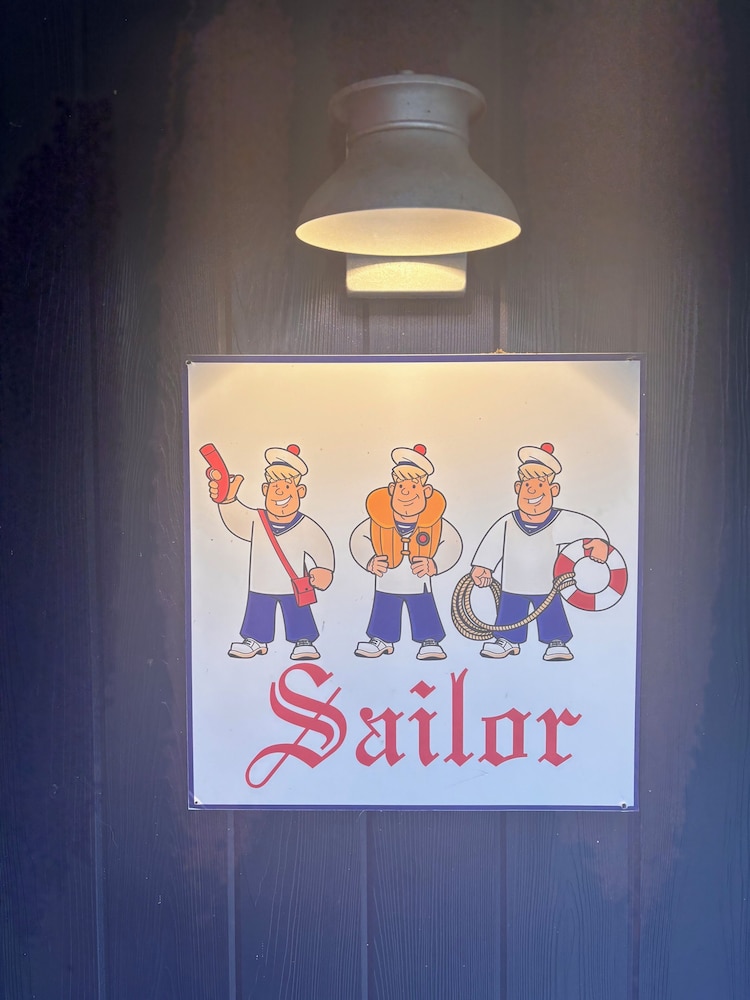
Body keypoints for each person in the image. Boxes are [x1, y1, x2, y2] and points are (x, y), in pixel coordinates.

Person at [471, 442, 608, 662]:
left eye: (540, 484)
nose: (532, 491)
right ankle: (508, 640)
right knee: (510, 611)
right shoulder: (508, 522)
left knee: (550, 611)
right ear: (518, 488)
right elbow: (491, 545)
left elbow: (588, 528)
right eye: (527, 485)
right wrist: (483, 566)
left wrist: (600, 543)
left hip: (547, 584)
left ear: (553, 490)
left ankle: (556, 641)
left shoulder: (561, 520)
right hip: (512, 584)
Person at [209, 444, 334, 660]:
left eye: (287, 485)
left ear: (300, 491)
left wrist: (324, 569)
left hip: (292, 584)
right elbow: (236, 521)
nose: (280, 491)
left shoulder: (305, 525)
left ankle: (303, 640)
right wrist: (227, 500)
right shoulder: (257, 520)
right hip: (261, 582)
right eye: (275, 485)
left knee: (298, 611)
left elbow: (321, 546)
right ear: (265, 489)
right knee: (259, 609)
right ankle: (256, 640)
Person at [350, 444, 462, 661]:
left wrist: (436, 564)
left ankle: (429, 640)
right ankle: (382, 639)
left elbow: (452, 545)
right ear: (392, 489)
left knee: (423, 608)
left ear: (426, 492)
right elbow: (359, 539)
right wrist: (369, 560)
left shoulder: (436, 524)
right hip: (386, 580)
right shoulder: (376, 522)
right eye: (401, 486)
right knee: (384, 607)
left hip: (419, 581)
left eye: (413, 486)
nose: (406, 493)